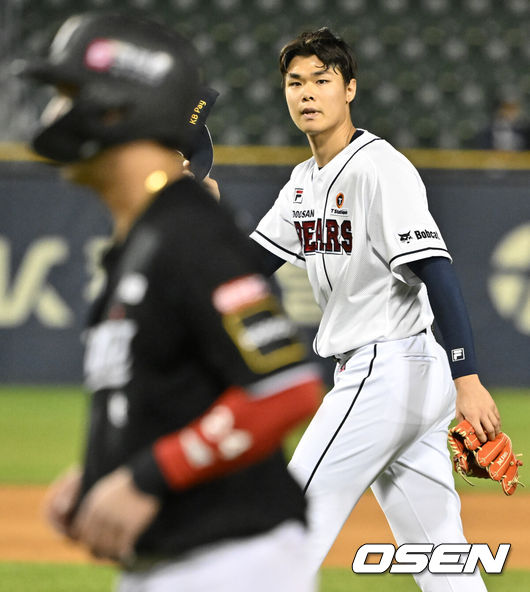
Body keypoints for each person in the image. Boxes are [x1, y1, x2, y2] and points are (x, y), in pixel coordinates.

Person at [19, 12, 322, 592]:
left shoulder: (188, 231)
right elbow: (178, 391)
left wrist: (147, 477)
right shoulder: (146, 238)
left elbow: (283, 388)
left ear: (119, 107)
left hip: (231, 564)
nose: (55, 115)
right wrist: (103, 472)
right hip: (179, 562)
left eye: (69, 95)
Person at [248, 28, 502, 591]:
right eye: (295, 83)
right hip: (403, 376)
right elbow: (245, 269)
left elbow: (437, 269)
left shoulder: (379, 167)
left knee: (284, 529)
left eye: (322, 80)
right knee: (442, 562)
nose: (307, 93)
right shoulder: (302, 183)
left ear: (350, 89)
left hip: (385, 371)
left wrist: (469, 378)